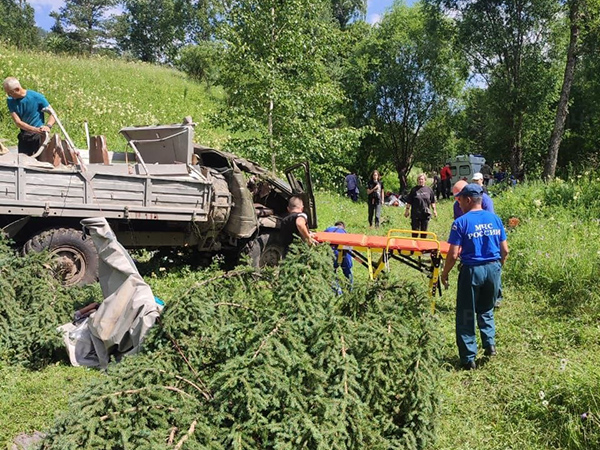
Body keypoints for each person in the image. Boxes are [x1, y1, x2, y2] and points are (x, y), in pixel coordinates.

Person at [440, 184, 509, 370]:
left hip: (472, 270)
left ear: (468, 199)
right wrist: (496, 269)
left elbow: (453, 254)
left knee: (466, 313)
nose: (459, 203)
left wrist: (444, 274)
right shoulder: (495, 218)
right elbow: (505, 250)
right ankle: (489, 344)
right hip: (493, 269)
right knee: (486, 308)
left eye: (460, 199)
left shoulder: (461, 222)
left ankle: (468, 358)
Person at [3, 77, 55, 156]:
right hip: (25, 135)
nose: (9, 95)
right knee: (23, 161)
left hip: (39, 137)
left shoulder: (37, 97)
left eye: (10, 93)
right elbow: (18, 122)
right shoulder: (10, 100)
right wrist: (34, 129)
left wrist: (48, 126)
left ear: (17, 89)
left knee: (39, 162)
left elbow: (53, 114)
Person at [404, 173, 437, 238]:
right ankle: (414, 247)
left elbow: (432, 201)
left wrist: (434, 211)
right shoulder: (414, 190)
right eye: (419, 179)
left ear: (425, 180)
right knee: (415, 232)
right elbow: (409, 202)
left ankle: (422, 247)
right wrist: (406, 211)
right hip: (415, 214)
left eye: (422, 179)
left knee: (424, 233)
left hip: (425, 213)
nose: (420, 181)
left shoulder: (429, 190)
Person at [324, 221, 353, 289]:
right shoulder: (345, 232)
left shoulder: (328, 229)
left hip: (332, 251)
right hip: (345, 252)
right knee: (348, 271)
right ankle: (350, 289)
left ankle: (337, 291)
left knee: (332, 272)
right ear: (343, 226)